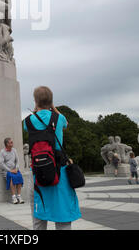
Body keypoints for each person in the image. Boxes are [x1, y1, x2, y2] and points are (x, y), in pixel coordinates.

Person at [24, 86, 81, 230]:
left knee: (38, 220)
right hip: (59, 172)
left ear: (35, 101)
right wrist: (53, 108)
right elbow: (66, 123)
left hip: (38, 173)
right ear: (51, 101)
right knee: (63, 220)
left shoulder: (28, 121)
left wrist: (38, 108)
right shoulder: (59, 118)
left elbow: (30, 125)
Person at [0, 138, 24, 204]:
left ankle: (19, 196)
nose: (12, 144)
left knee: (19, 176)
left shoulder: (14, 150)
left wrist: (16, 168)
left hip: (15, 170)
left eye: (12, 142)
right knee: (12, 178)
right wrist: (10, 170)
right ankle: (13, 197)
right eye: (11, 142)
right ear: (7, 144)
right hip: (6, 171)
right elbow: (1, 164)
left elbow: (17, 161)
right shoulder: (2, 152)